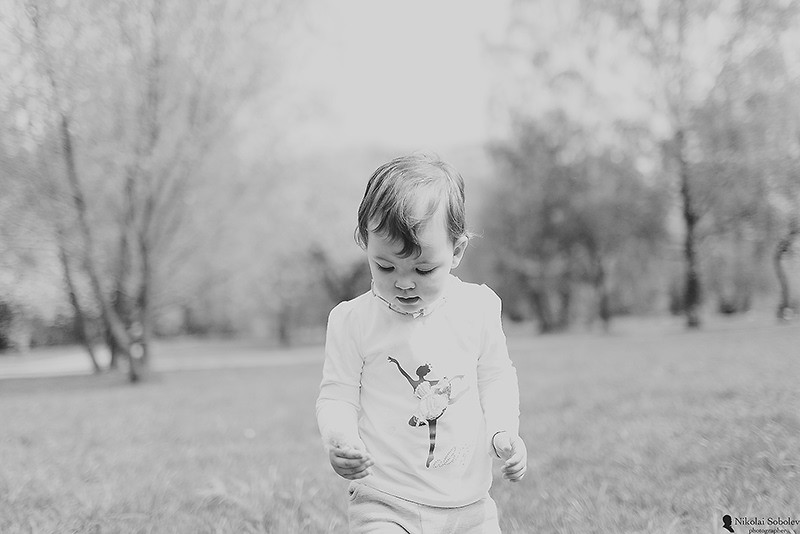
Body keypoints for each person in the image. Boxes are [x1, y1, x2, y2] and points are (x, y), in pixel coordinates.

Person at [316, 153, 527, 533]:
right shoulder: (352, 321)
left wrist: (504, 430)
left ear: (457, 251)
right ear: (364, 242)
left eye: (424, 269)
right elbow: (337, 395)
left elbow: (496, 377)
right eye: (385, 266)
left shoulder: (477, 307)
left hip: (469, 505)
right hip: (384, 500)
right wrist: (340, 438)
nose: (404, 282)